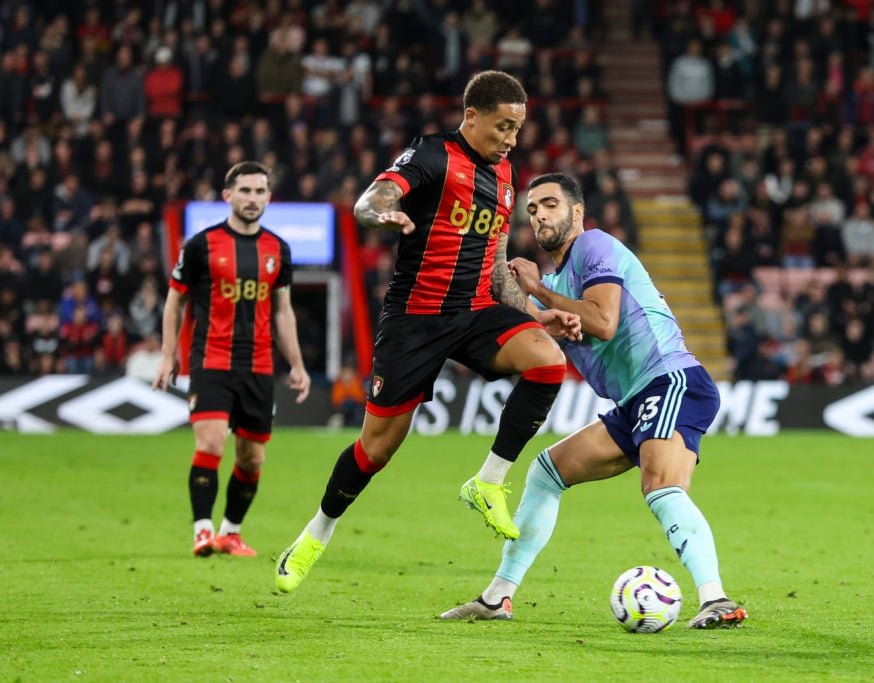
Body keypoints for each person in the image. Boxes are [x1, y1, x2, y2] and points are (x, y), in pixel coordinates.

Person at [274, 71, 581, 593]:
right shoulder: (432, 156)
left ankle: (488, 482)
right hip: (415, 320)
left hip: (476, 310)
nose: (510, 138)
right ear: (471, 117)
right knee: (376, 449)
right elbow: (369, 201)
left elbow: (496, 264)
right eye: (503, 126)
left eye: (517, 129)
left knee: (548, 361)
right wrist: (383, 215)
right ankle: (315, 532)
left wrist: (533, 314)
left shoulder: (505, 177)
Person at [440, 174, 748, 629]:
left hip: (670, 379)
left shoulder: (594, 247)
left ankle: (716, 599)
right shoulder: (561, 279)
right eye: (532, 209)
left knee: (661, 485)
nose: (539, 215)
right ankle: (497, 597)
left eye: (549, 204)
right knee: (547, 473)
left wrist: (537, 289)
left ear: (576, 212)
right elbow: (548, 328)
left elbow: (603, 322)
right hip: (634, 399)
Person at [152, 161, 311, 558]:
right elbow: (175, 300)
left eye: (260, 192)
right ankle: (202, 531)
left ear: (269, 198)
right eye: (245, 191)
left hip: (259, 365)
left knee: (252, 457)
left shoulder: (278, 249)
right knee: (211, 441)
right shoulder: (201, 245)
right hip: (211, 360)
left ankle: (231, 533)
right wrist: (167, 355)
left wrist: (297, 364)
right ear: (228, 196)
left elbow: (282, 312)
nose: (253, 199)